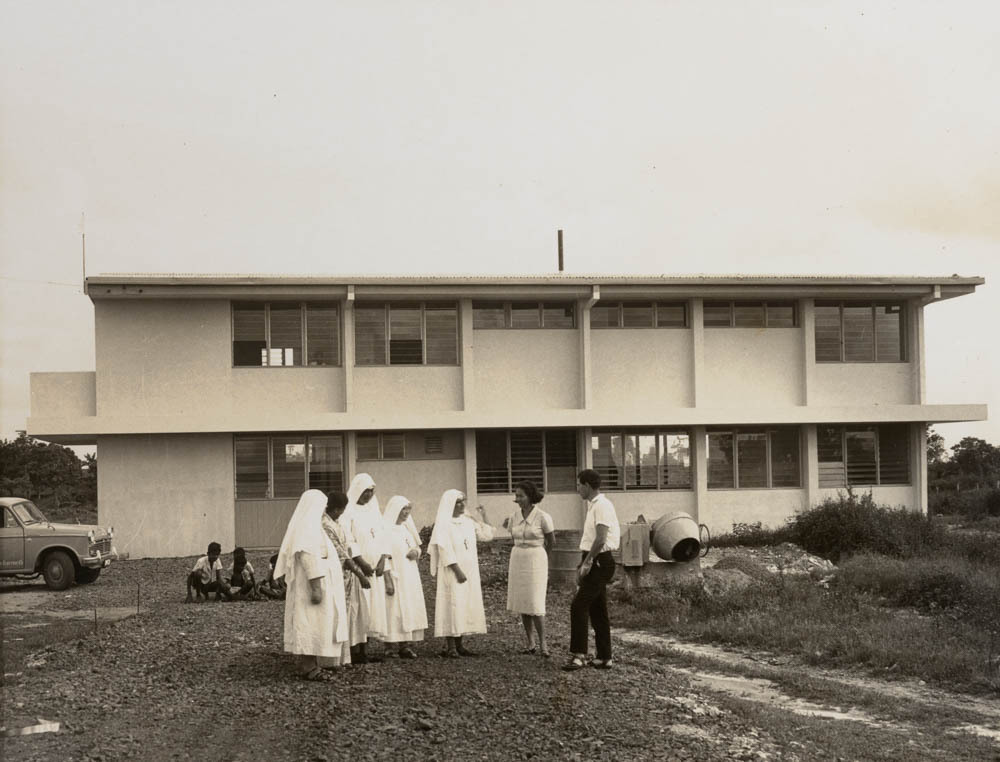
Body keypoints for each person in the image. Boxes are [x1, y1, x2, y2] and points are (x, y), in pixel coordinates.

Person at [273, 489, 349, 680]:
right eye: (322, 507)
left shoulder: (315, 529)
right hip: (311, 587)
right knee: (310, 624)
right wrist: (316, 587)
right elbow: (309, 558)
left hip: (321, 585)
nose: (324, 511)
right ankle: (307, 666)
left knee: (318, 624)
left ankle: (314, 662)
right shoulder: (306, 530)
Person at [563, 469, 620, 672]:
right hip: (594, 558)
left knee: (578, 606)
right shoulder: (594, 506)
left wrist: (587, 562)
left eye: (579, 485)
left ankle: (579, 655)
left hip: (599, 561)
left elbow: (601, 538)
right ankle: (605, 657)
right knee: (598, 610)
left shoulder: (602, 505)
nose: (577, 489)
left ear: (587, 485)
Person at [429, 489, 494, 657]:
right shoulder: (443, 524)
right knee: (452, 603)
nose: (461, 505)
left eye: (463, 501)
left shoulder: (468, 521)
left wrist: (484, 515)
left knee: (464, 605)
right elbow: (444, 549)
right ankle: (450, 646)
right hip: (452, 570)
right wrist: (457, 570)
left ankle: (460, 645)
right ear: (449, 504)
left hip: (470, 570)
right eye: (458, 502)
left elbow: (486, 536)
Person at [339, 473, 389, 664]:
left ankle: (365, 649)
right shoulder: (348, 512)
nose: (368, 495)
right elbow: (348, 540)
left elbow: (382, 535)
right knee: (357, 609)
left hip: (375, 569)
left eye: (371, 491)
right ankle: (354, 650)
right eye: (365, 491)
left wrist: (383, 559)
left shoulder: (373, 510)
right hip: (358, 569)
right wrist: (361, 562)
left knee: (372, 609)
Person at [503, 480, 554, 657]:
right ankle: (530, 642)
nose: (517, 499)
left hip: (536, 559)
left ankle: (543, 643)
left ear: (530, 496)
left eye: (521, 496)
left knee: (535, 601)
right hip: (518, 558)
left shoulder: (542, 516)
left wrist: (541, 556)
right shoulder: (514, 517)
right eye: (516, 496)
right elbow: (512, 534)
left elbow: (551, 541)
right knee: (523, 601)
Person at [321, 491, 370, 667]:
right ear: (335, 508)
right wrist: (360, 574)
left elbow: (347, 546)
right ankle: (333, 657)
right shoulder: (326, 525)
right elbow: (341, 554)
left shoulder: (337, 522)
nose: (341, 513)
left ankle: (344, 655)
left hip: (346, 576)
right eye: (340, 510)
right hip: (337, 574)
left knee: (346, 615)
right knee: (336, 614)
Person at [382, 495, 428, 658]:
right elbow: (382, 556)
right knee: (392, 608)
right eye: (403, 509)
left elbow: (416, 546)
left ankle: (405, 645)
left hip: (409, 573)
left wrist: (416, 552)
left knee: (408, 606)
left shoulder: (406, 528)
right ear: (395, 510)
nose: (406, 513)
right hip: (394, 573)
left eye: (408, 509)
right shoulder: (385, 529)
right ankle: (388, 646)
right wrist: (387, 578)